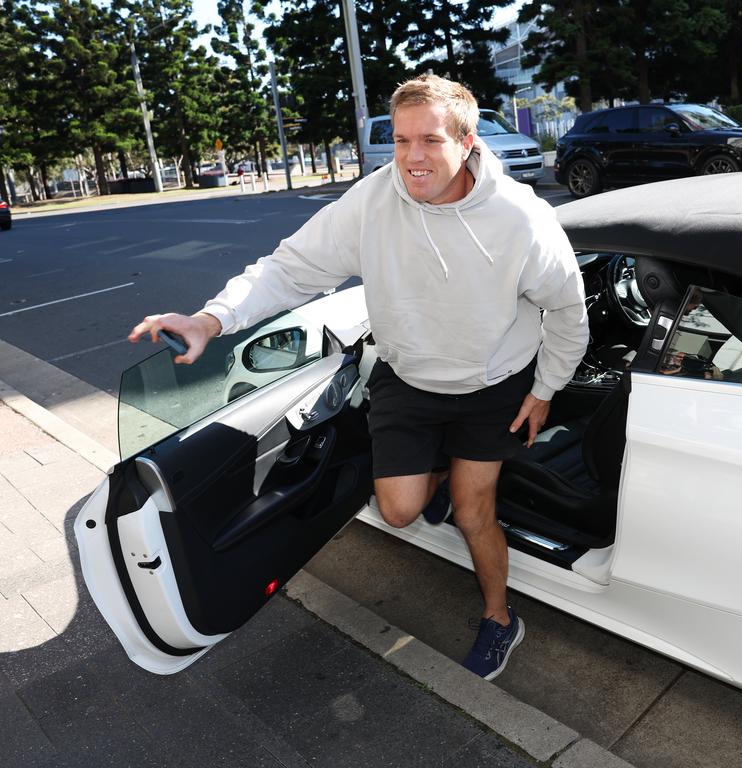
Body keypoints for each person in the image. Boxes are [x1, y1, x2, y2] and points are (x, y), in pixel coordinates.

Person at [127, 74, 590, 682]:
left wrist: (543, 390)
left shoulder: (521, 219)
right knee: (398, 511)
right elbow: (291, 269)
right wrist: (213, 320)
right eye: (400, 141)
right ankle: (442, 477)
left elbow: (568, 313)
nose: (412, 158)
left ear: (468, 139)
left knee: (475, 512)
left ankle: (500, 619)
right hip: (408, 377)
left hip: (491, 387)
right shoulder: (372, 202)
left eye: (429, 140)